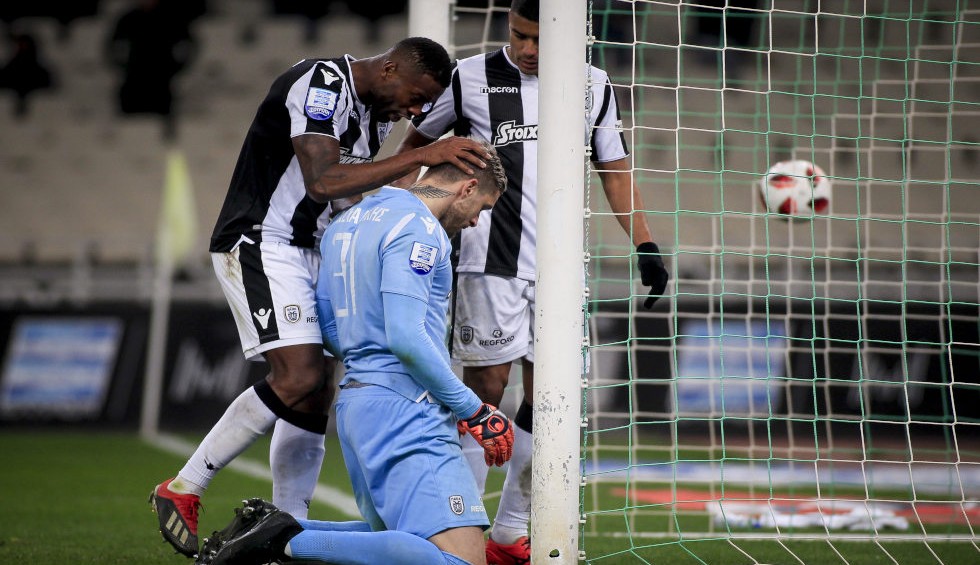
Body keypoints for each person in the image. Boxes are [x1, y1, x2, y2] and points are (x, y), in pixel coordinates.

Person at [149, 36, 495, 559]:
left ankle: (285, 528)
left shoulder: (376, 118)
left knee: (316, 393)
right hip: (264, 239)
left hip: (314, 244)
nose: (417, 112)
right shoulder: (322, 82)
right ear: (390, 69)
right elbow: (323, 181)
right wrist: (425, 156)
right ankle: (185, 486)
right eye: (416, 97)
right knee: (299, 377)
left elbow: (348, 198)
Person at [392, 1, 671, 562]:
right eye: (519, 35)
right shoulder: (468, 77)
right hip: (486, 259)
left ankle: (507, 533)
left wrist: (644, 243)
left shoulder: (593, 85)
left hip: (561, 269)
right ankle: (457, 529)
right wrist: (400, 225)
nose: (527, 49)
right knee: (485, 390)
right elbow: (413, 154)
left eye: (540, 40)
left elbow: (614, 170)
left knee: (552, 395)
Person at [194, 140, 512, 565]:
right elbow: (406, 337)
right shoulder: (419, 230)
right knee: (462, 561)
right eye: (482, 208)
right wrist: (473, 410)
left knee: (402, 541)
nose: (474, 221)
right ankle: (283, 541)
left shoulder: (346, 222)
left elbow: (329, 329)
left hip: (357, 406)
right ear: (468, 187)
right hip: (408, 409)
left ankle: (277, 528)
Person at [0, 31, 54, 118]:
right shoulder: (8, 73)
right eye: (20, 45)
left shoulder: (40, 75)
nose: (21, 47)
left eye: (23, 45)